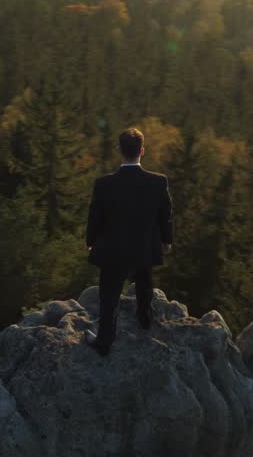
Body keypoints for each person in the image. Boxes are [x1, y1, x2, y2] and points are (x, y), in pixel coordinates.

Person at [84, 127, 174, 357]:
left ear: (119, 150)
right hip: (144, 245)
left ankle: (104, 341)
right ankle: (144, 319)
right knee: (144, 280)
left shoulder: (104, 184)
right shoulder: (158, 182)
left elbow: (95, 216)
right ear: (142, 151)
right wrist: (166, 240)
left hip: (113, 247)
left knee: (109, 293)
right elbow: (165, 214)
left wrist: (91, 241)